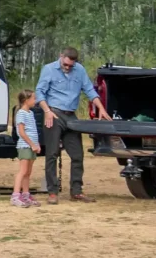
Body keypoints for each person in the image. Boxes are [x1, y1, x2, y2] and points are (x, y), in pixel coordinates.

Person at [34, 46, 110, 205]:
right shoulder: (48, 69)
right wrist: (47, 111)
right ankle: (52, 192)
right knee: (52, 154)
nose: (68, 67)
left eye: (71, 65)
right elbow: (40, 92)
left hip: (71, 116)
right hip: (53, 113)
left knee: (77, 155)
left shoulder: (79, 70)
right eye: (66, 64)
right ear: (61, 56)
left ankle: (76, 191)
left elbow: (89, 90)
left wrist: (101, 108)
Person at [11, 90, 41, 207]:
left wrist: (36, 144)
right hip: (25, 146)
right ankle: (15, 195)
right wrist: (31, 144)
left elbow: (33, 131)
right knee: (22, 171)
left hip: (32, 146)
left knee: (28, 172)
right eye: (33, 98)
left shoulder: (30, 113)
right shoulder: (21, 113)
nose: (35, 101)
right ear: (26, 100)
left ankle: (25, 194)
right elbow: (22, 133)